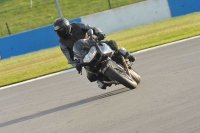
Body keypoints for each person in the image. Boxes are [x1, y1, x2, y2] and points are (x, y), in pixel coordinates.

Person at [53, 17, 135, 89]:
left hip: (94, 43)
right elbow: (70, 59)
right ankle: (105, 79)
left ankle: (126, 55)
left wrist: (99, 34)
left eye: (60, 31)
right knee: (91, 76)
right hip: (84, 56)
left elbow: (91, 28)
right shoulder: (62, 44)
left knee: (111, 43)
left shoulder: (77, 25)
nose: (59, 33)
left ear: (66, 27)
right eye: (57, 32)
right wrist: (77, 64)